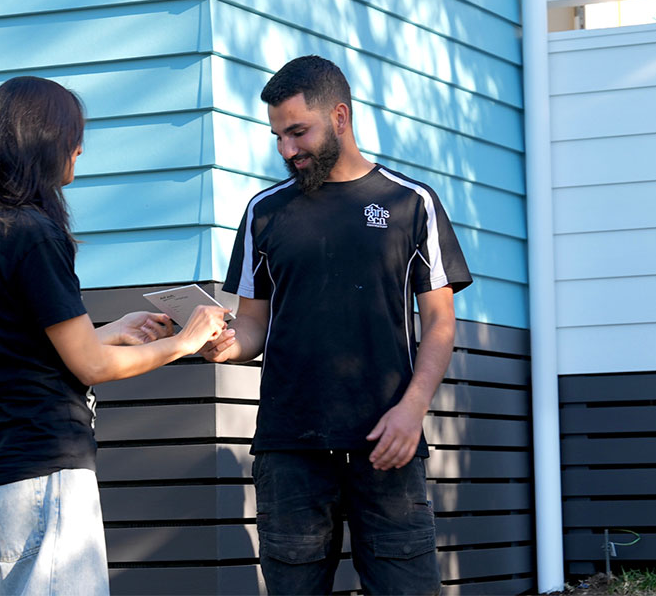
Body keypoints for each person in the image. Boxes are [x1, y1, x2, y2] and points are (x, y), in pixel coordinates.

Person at [0, 76, 229, 596]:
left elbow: (13, 345)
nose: (80, 147)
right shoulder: (34, 233)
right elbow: (90, 368)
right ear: (46, 142)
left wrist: (111, 331)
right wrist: (184, 341)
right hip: (40, 478)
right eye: (73, 135)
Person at [201, 55, 471, 595]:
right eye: (278, 136)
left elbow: (440, 322)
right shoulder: (264, 212)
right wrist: (222, 346)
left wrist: (413, 410)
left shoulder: (409, 202)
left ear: (340, 117)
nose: (287, 150)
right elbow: (253, 327)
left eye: (298, 132)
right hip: (290, 446)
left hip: (387, 443)